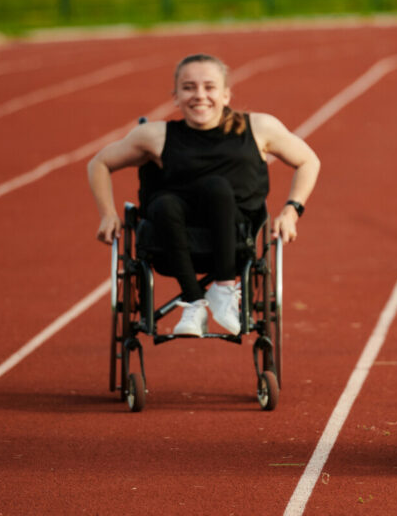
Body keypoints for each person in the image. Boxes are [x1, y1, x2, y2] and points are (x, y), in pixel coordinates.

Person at [88, 53, 320, 337]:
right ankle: (193, 302)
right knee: (162, 203)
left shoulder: (258, 128)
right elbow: (99, 163)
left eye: (209, 87)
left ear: (225, 95)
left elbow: (309, 160)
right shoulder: (155, 135)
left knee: (217, 187)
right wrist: (108, 214)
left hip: (236, 241)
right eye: (189, 88)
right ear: (175, 97)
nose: (200, 95)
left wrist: (292, 211)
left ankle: (223, 290)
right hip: (171, 242)